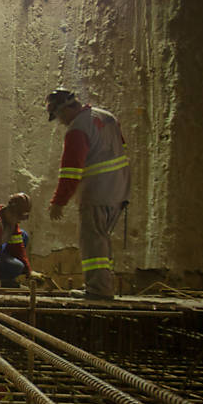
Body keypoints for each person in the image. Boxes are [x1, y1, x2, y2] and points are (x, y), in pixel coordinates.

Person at [45, 88, 131, 300]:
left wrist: (59, 202)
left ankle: (98, 290)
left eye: (58, 117)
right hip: (119, 189)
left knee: (92, 241)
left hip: (97, 191)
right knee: (101, 240)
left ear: (64, 110)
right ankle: (102, 286)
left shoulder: (77, 129)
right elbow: (121, 147)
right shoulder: (107, 117)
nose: (61, 122)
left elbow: (71, 170)